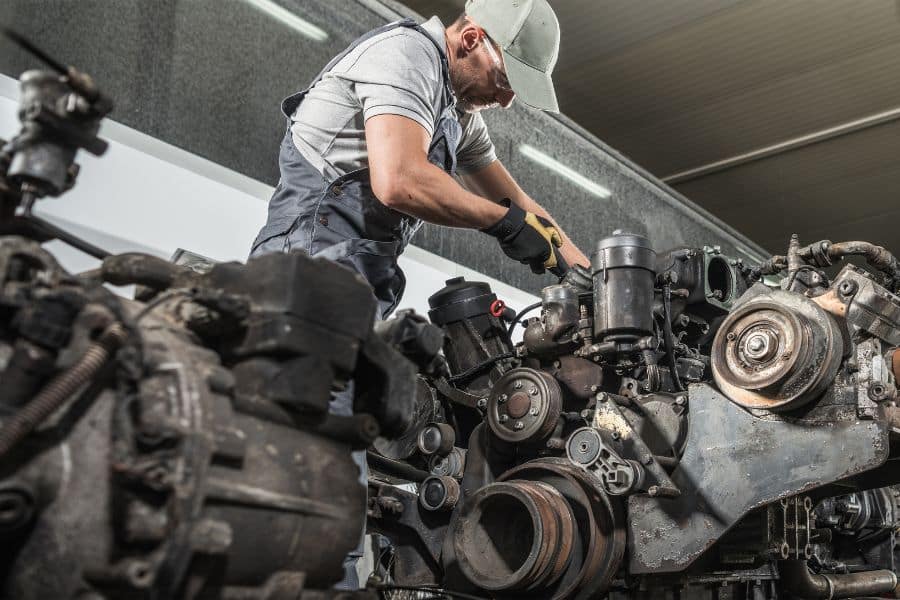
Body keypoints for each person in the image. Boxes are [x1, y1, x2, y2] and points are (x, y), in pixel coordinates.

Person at [249, 0, 590, 588]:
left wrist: (590, 278)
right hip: (309, 267)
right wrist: (501, 225)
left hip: (357, 283)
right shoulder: (405, 55)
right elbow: (400, 178)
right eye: (506, 80)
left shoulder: (457, 114)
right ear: (470, 39)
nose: (508, 100)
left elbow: (527, 209)